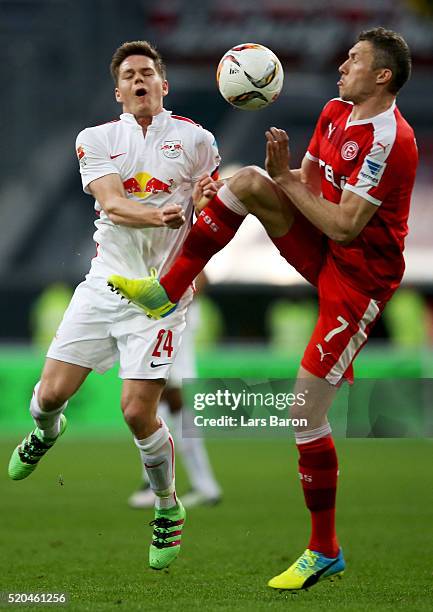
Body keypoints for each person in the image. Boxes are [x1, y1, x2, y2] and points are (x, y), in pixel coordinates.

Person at [109, 28, 418, 588]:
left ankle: (323, 549)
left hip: (358, 282)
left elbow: (347, 226)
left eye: (354, 59)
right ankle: (168, 289)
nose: (341, 64)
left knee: (304, 415)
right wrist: (279, 180)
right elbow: (306, 185)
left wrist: (286, 181)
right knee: (246, 181)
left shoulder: (390, 141)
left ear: (383, 76)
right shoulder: (333, 112)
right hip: (322, 248)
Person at [8, 40, 220, 571]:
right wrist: (161, 217)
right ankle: (45, 433)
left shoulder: (197, 140)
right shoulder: (96, 138)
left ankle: (169, 509)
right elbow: (111, 202)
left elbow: (209, 200)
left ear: (163, 85)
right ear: (119, 90)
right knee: (48, 398)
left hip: (162, 298)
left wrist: (206, 201)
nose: (140, 80)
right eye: (130, 74)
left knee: (136, 411)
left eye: (148, 72)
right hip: (107, 285)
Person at [129, 276, 222, 509]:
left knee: (171, 397)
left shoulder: (176, 240)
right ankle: (158, 482)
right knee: (161, 398)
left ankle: (202, 485)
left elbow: (202, 275)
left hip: (172, 323)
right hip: (160, 321)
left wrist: (175, 304)